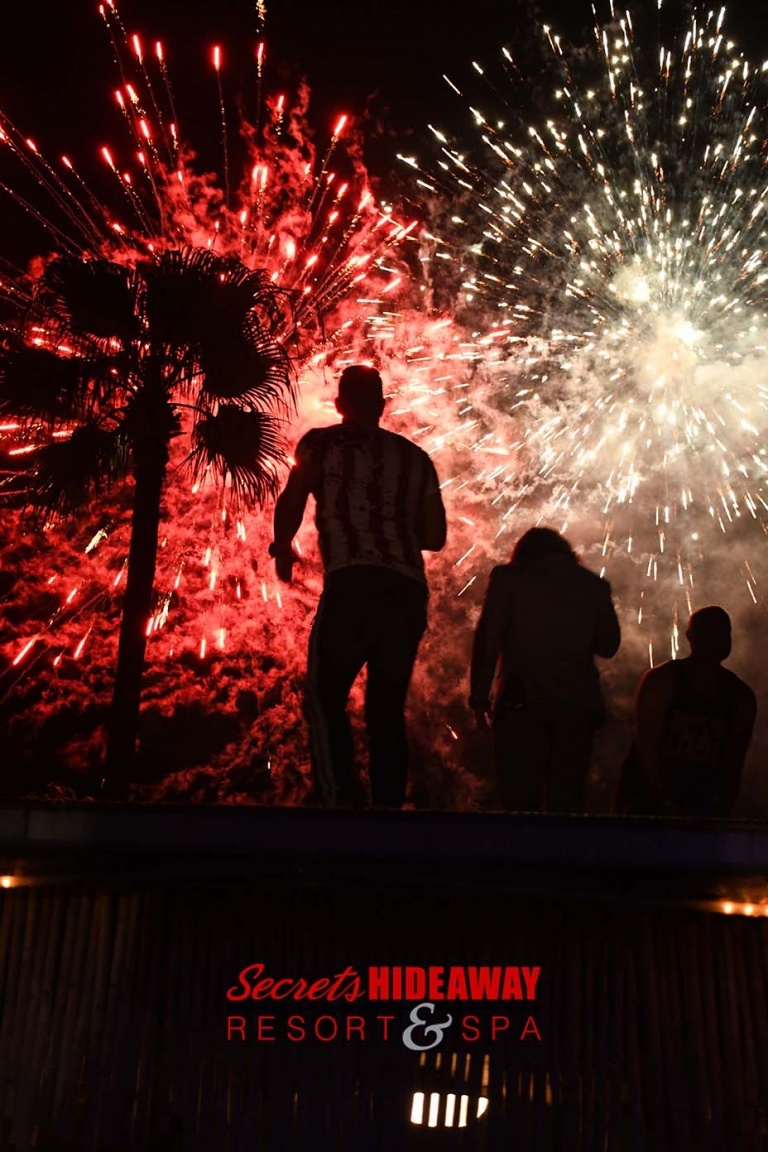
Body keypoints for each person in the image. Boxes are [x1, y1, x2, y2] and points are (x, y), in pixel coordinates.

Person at [269, 364, 447, 808]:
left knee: (324, 695)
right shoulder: (416, 458)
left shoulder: (321, 443)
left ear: (339, 404)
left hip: (352, 583)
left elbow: (293, 497)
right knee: (386, 708)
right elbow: (434, 536)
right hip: (406, 591)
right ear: (382, 406)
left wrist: (283, 546)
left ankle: (339, 802)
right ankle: (387, 810)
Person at [469, 527, 620, 812]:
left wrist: (479, 696)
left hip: (522, 700)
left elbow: (488, 640)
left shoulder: (508, 577)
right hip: (578, 703)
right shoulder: (594, 585)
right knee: (566, 800)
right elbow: (609, 646)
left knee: (518, 798)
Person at [619, 606, 756, 818]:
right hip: (648, 801)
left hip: (696, 802)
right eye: (710, 631)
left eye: (722, 632)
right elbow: (647, 748)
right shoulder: (663, 681)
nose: (717, 639)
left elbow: (733, 763)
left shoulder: (740, 697)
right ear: (692, 636)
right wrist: (664, 801)